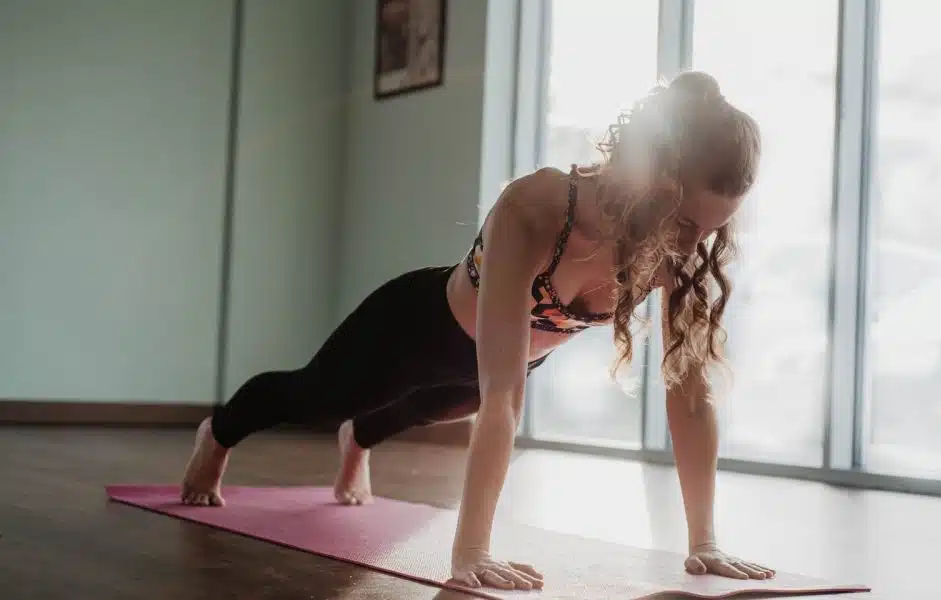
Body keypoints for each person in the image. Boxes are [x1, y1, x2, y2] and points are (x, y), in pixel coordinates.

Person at [179, 69, 776, 591]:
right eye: (688, 221)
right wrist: (470, 553)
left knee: (423, 411)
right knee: (317, 396)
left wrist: (705, 543)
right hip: (412, 329)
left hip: (480, 372)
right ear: (657, 180)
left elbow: (690, 394)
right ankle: (219, 435)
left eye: (712, 230)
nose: (692, 244)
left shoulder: (672, 249)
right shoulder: (536, 208)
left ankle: (357, 442)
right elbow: (504, 399)